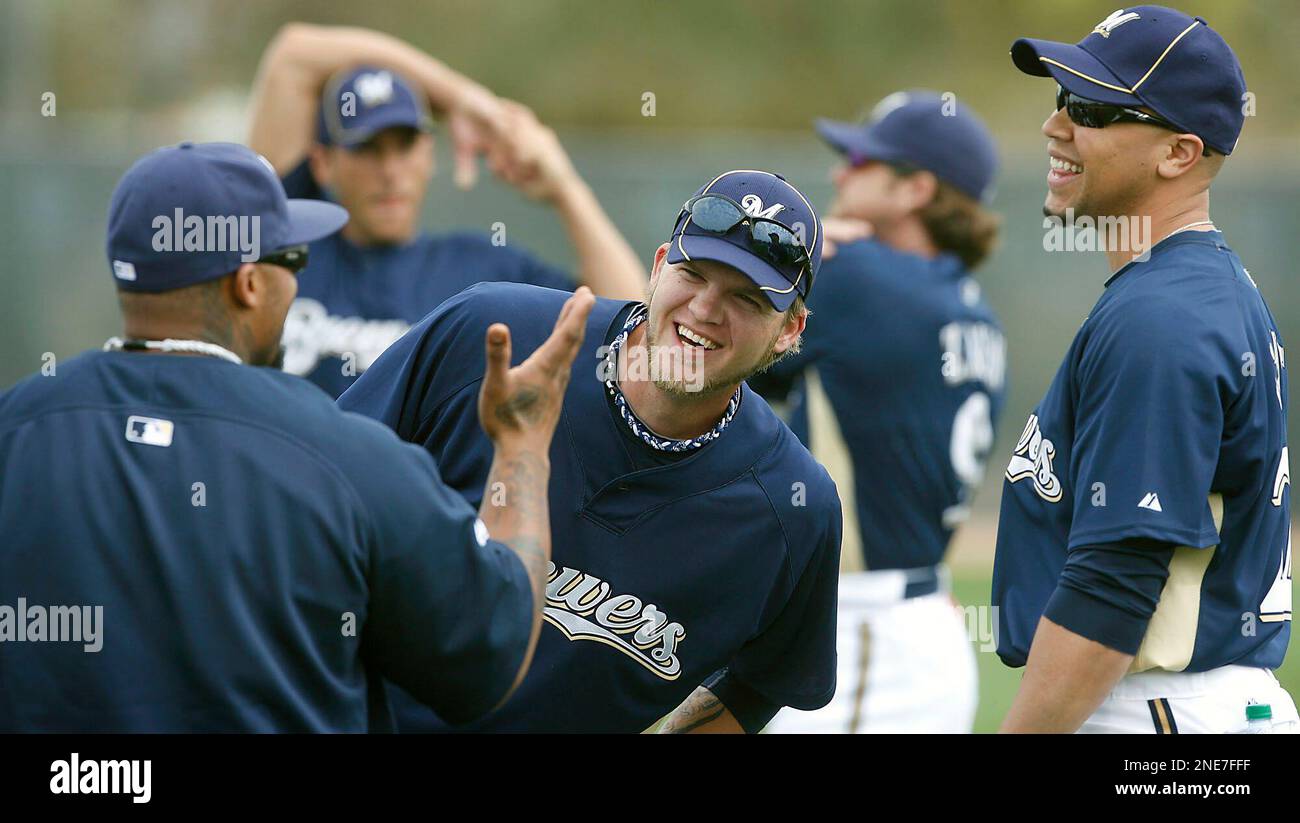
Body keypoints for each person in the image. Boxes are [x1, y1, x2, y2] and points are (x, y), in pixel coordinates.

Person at [0, 141, 594, 732]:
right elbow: (491, 650)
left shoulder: (16, 426)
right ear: (249, 284)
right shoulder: (345, 457)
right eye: (294, 260)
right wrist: (522, 446)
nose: (300, 283)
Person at [339, 170, 843, 733]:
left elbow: (761, 686)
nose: (705, 308)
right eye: (694, 273)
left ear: (790, 331)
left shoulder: (792, 511)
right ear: (657, 266)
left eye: (747, 298)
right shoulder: (492, 334)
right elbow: (319, 492)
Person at [995, 6, 1295, 733]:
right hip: (1190, 703)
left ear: (1178, 154)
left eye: (1092, 109)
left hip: (1155, 711)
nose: (1056, 126)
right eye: (1061, 99)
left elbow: (1114, 585)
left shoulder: (1159, 318)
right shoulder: (1193, 288)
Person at [756, 91, 1005, 733]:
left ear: (915, 189)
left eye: (861, 159)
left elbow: (676, 357)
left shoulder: (858, 279)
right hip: (919, 624)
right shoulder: (974, 310)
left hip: (864, 639)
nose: (840, 173)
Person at [247, 23, 645, 397]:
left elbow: (634, 333)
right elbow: (292, 54)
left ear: (428, 157)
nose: (389, 172)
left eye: (404, 147)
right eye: (367, 149)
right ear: (322, 163)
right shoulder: (288, 250)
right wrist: (461, 99)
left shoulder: (480, 275)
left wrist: (566, 189)